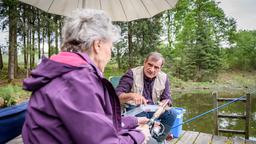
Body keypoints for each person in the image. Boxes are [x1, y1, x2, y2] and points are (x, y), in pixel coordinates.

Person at [22, 9, 151, 144]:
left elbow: (91, 124)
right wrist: (139, 136)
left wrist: (132, 121)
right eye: (110, 48)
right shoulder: (77, 81)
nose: (110, 55)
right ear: (98, 44)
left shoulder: (65, 72)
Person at [116, 52, 177, 143]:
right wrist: (132, 95)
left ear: (160, 68)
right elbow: (116, 95)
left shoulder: (164, 77)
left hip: (152, 109)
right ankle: (147, 139)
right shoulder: (132, 73)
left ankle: (159, 140)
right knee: (142, 117)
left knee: (172, 113)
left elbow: (167, 98)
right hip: (134, 109)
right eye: (150, 65)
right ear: (145, 62)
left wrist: (164, 103)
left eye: (156, 67)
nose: (152, 70)